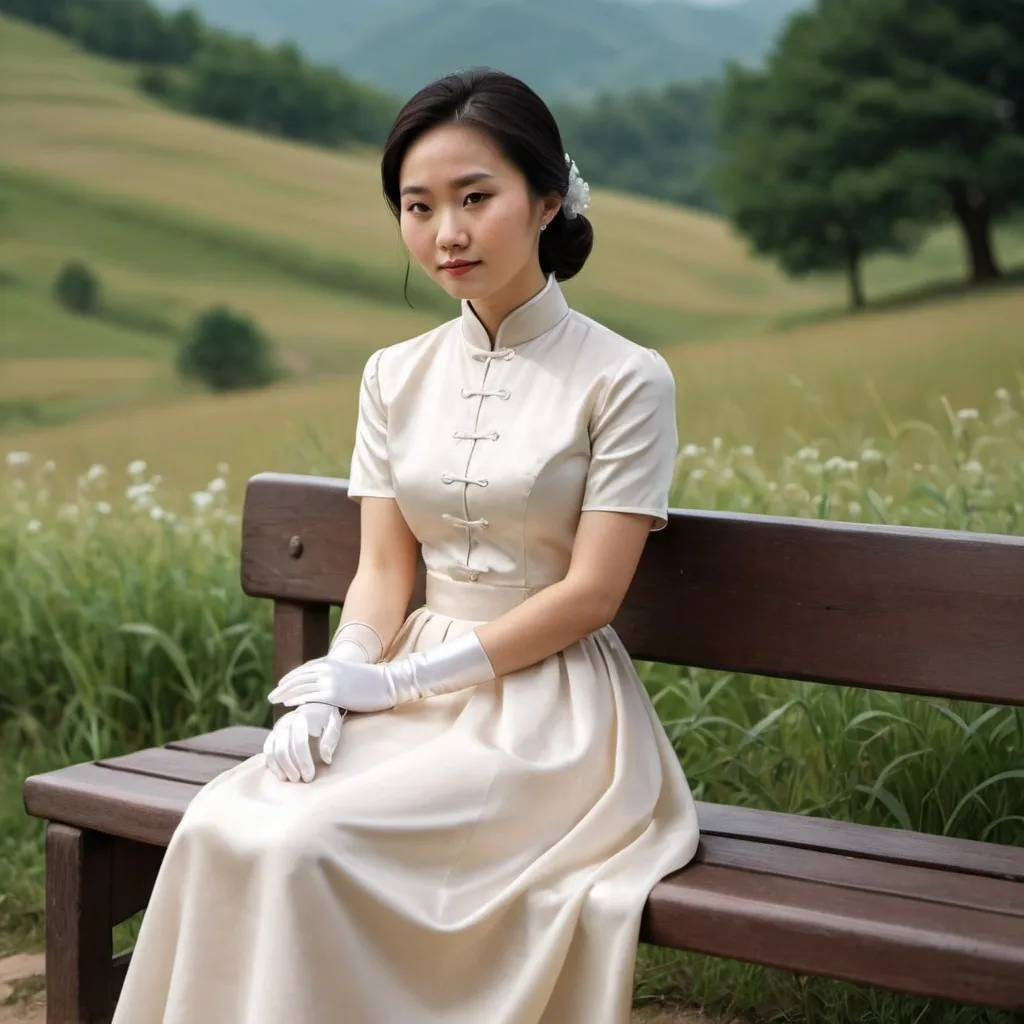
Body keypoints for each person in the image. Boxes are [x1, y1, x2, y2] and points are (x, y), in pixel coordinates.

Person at [111, 67, 699, 1024]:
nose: (447, 234)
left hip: (551, 715)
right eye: (418, 207)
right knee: (225, 821)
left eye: (476, 198)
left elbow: (592, 594)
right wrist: (340, 676)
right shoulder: (394, 374)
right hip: (407, 685)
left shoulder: (627, 378)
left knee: (308, 844)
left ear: (547, 199)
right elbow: (385, 568)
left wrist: (393, 687)